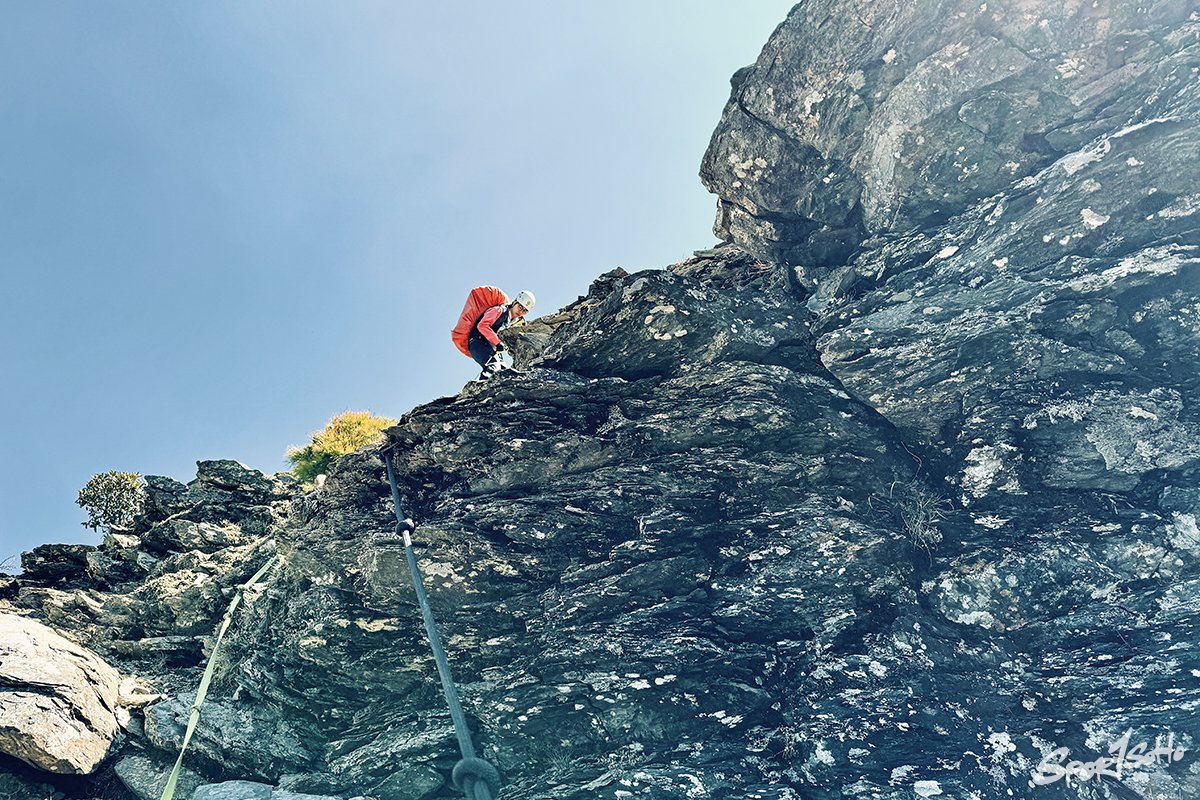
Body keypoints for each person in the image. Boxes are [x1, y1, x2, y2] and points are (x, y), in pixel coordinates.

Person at [468, 290, 535, 379]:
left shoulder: (512, 322)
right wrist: (497, 342)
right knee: (493, 365)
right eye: (520, 306)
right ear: (514, 302)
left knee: (505, 371)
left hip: (491, 347)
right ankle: (481, 388)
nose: (521, 311)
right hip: (478, 342)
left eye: (525, 311)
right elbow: (482, 325)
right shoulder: (499, 310)